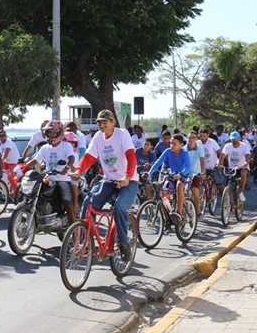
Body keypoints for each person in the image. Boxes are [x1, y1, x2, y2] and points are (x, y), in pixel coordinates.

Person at [74, 110, 138, 261]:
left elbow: (131, 157)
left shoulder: (122, 134)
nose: (102, 125)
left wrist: (127, 176)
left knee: (119, 207)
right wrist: (78, 171)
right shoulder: (98, 137)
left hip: (128, 181)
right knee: (87, 203)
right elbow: (89, 157)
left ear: (113, 122)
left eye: (105, 122)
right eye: (100, 123)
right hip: (108, 181)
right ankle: (85, 242)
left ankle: (123, 243)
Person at [25, 121, 76, 225]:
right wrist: (23, 167)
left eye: (54, 132)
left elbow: (71, 158)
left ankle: (74, 231)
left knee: (68, 204)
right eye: (49, 132)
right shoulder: (45, 148)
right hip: (48, 179)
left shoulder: (66, 146)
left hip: (62, 179)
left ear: (59, 133)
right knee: (33, 193)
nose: (51, 135)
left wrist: (66, 167)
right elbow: (35, 161)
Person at [148, 134, 191, 222]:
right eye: (171, 143)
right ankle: (167, 216)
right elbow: (158, 162)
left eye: (174, 144)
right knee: (164, 194)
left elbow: (188, 167)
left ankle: (178, 213)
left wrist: (181, 174)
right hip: (172, 176)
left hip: (184, 176)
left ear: (181, 145)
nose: (172, 145)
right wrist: (149, 173)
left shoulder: (185, 153)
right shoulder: (168, 151)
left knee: (179, 185)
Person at [216, 131, 250, 202]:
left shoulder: (245, 146)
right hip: (231, 168)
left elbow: (247, 155)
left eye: (235, 139)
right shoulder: (228, 146)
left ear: (239, 138)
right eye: (232, 139)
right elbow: (223, 155)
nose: (234, 141)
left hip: (241, 167)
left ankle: (241, 192)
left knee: (244, 172)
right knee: (227, 182)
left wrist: (246, 162)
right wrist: (219, 163)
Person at [198, 127, 224, 202]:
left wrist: (219, 163)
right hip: (202, 168)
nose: (202, 137)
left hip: (213, 167)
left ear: (208, 135)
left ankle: (225, 199)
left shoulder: (212, 142)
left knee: (219, 184)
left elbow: (220, 153)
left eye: (204, 136)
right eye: (201, 136)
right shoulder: (197, 143)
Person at [185, 131, 206, 220]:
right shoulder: (183, 149)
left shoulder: (200, 148)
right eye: (190, 137)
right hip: (185, 174)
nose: (191, 139)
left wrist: (202, 172)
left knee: (194, 190)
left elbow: (202, 161)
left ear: (197, 139)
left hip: (196, 174)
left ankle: (198, 210)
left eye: (193, 137)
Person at [0, 129, 20, 196]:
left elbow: (5, 154)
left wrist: (0, 161)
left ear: (6, 136)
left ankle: (17, 194)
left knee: (10, 177)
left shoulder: (9, 143)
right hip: (6, 162)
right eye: (0, 136)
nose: (2, 137)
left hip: (14, 162)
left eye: (3, 135)